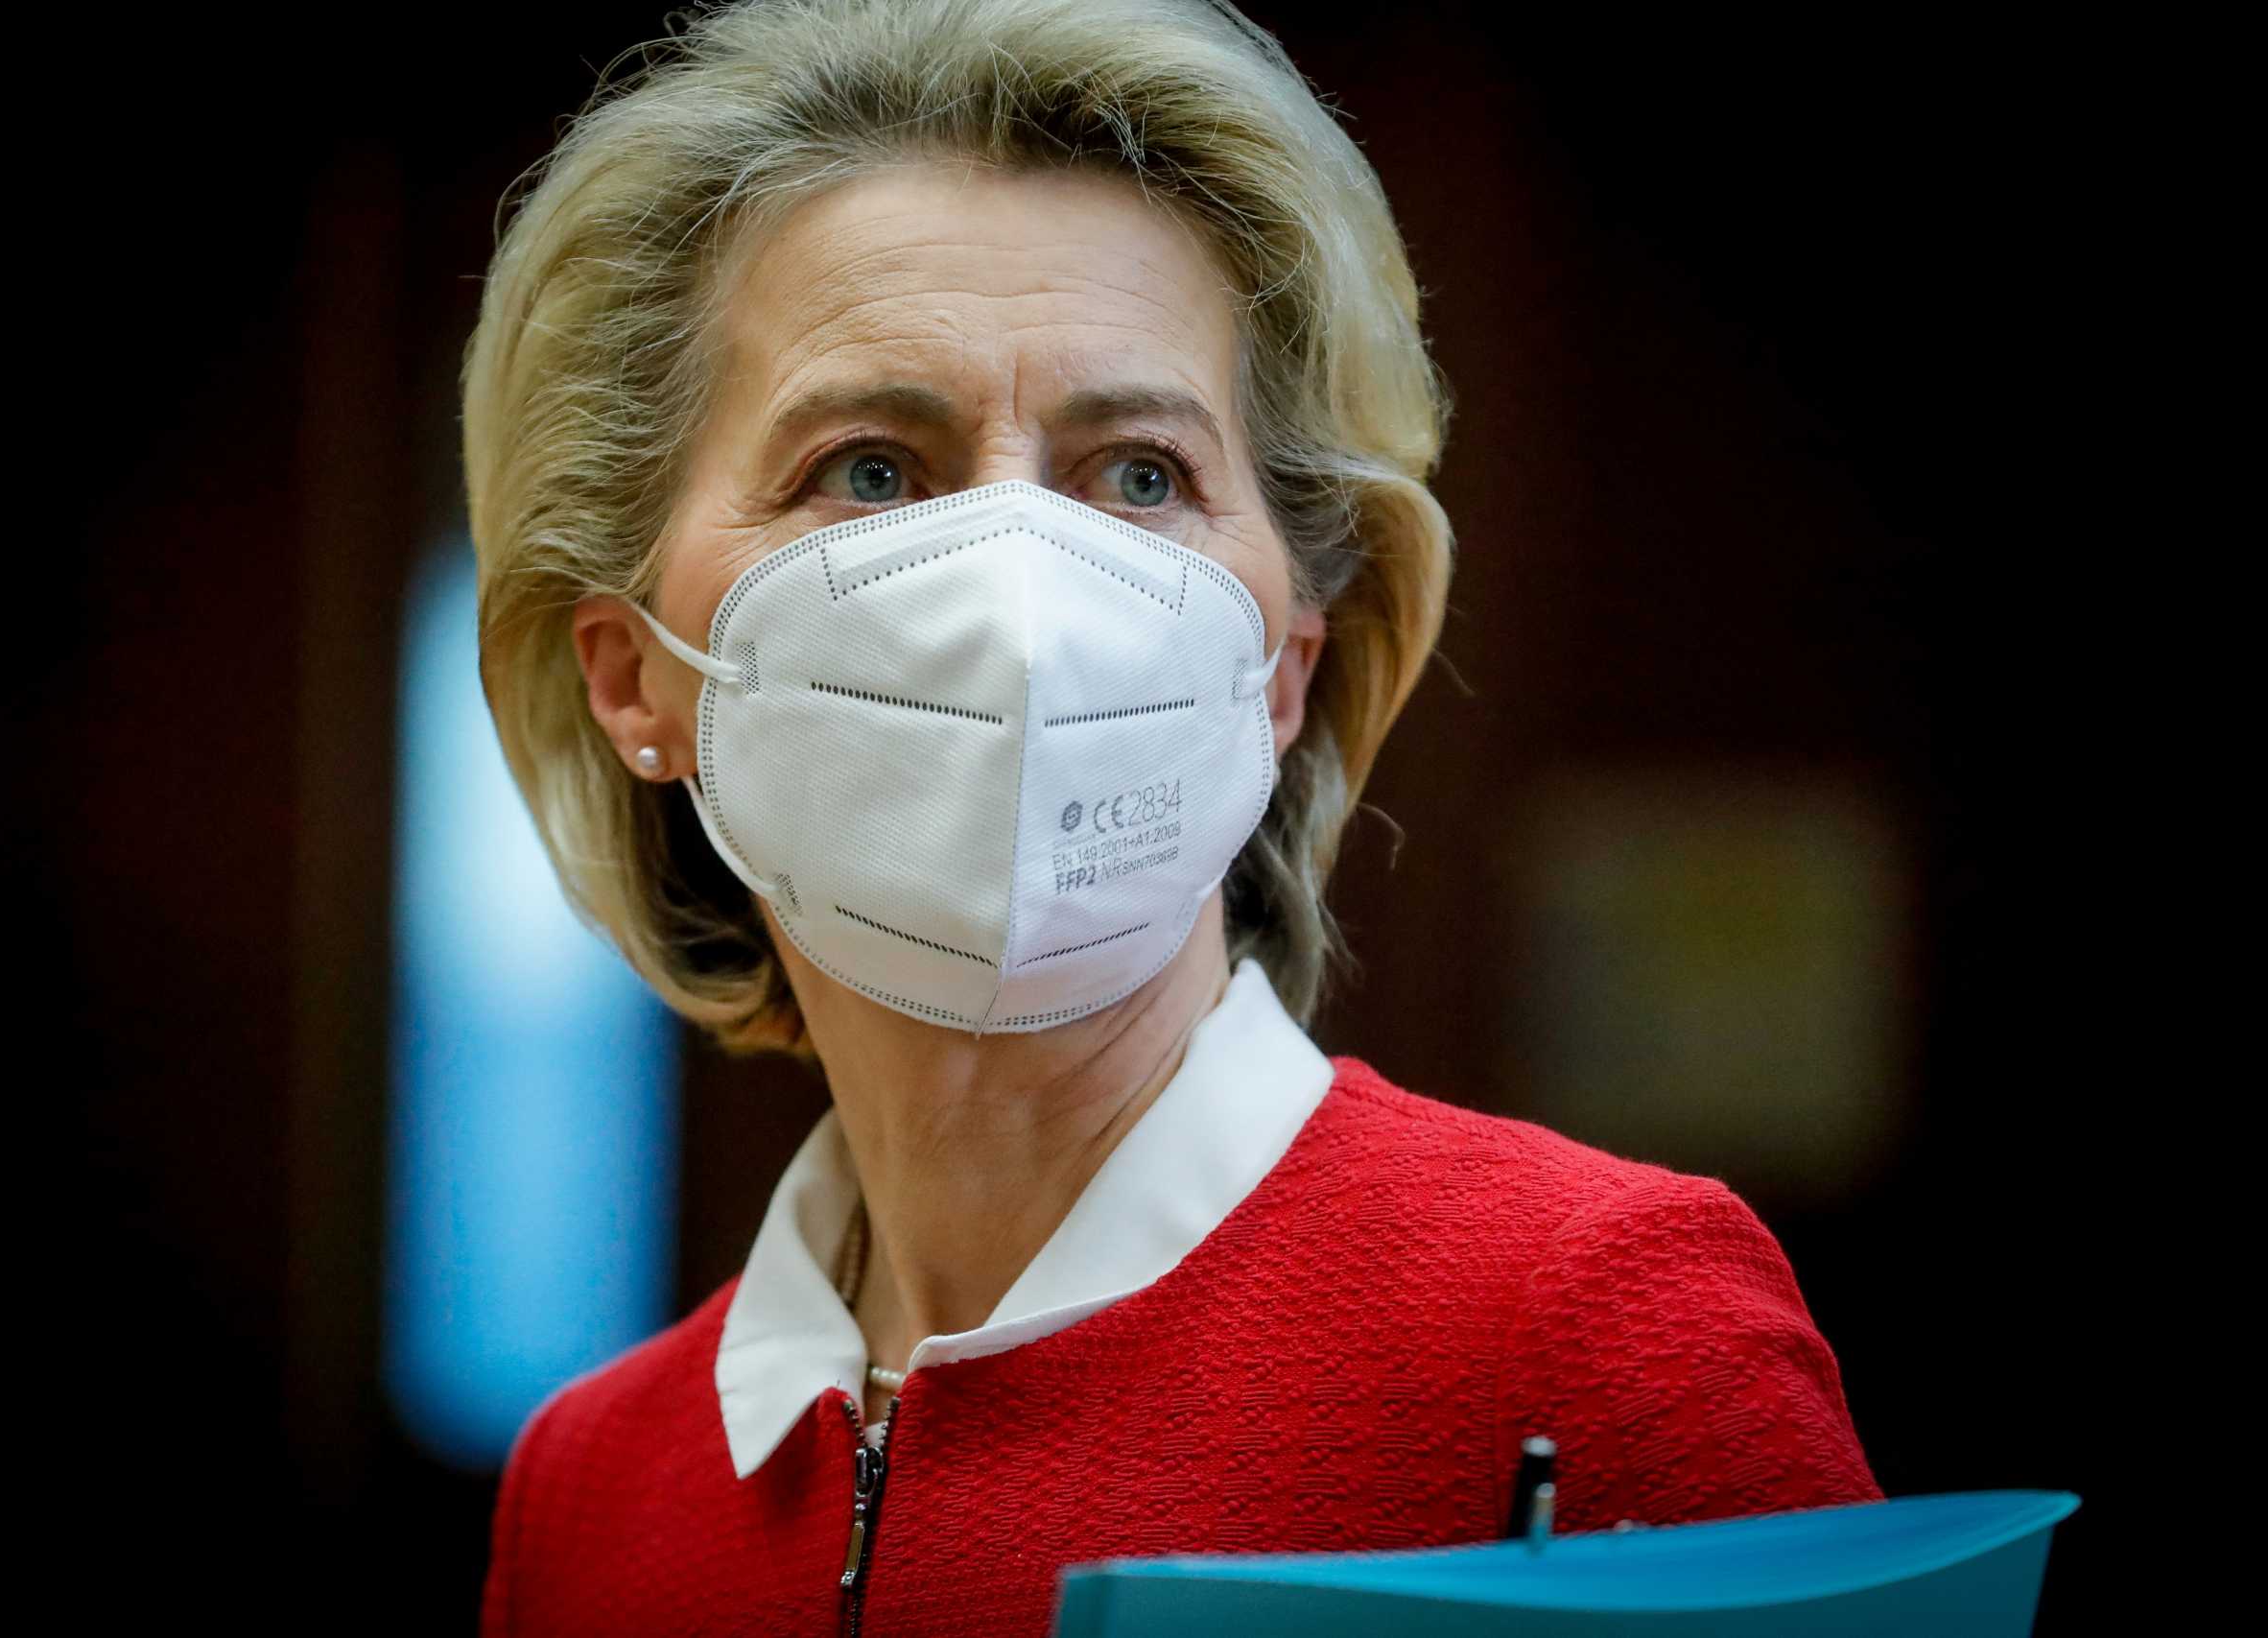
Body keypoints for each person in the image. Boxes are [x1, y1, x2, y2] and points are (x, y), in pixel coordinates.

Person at [461, 2, 1880, 1632]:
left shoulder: (1598, 1335)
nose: (1017, 600)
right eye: (869, 469)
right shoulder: (593, 1487)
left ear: (1278, 667)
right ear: (633, 674)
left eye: (1138, 475)